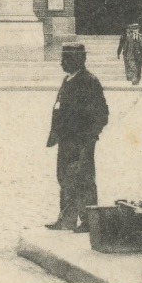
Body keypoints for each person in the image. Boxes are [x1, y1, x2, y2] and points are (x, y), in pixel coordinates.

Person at [45, 42, 108, 233]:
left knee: (84, 179)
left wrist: (90, 138)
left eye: (66, 59)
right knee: (64, 177)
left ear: (78, 60)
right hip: (65, 139)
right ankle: (66, 219)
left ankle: (88, 221)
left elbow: (102, 114)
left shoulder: (89, 81)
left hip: (82, 141)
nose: (62, 63)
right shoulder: (68, 80)